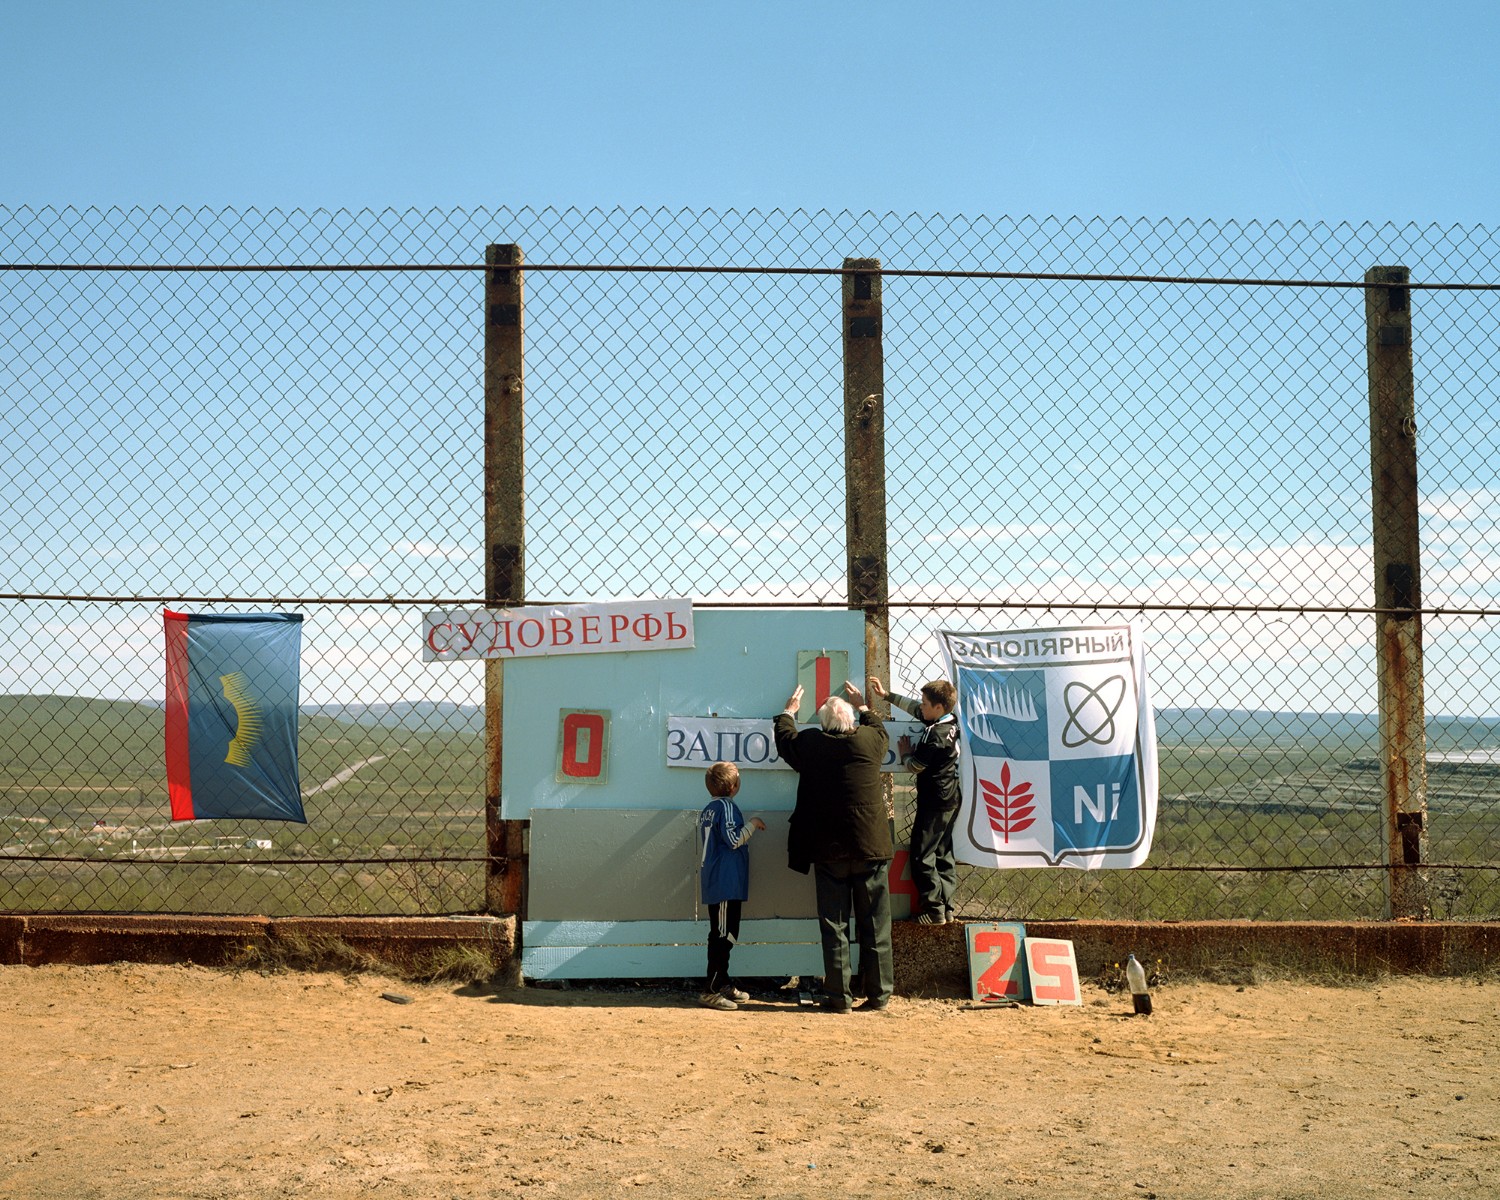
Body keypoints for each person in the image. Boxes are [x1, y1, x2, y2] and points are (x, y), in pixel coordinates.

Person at [773, 680, 893, 1013]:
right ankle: (879, 995)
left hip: (829, 849)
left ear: (824, 725)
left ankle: (839, 998)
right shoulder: (870, 742)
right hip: (870, 847)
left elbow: (785, 741)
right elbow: (880, 731)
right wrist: (864, 706)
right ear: (851, 722)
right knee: (875, 924)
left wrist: (788, 712)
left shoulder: (812, 745)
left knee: (834, 924)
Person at [868, 675, 961, 925]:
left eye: (925, 703)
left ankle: (933, 909)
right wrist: (886, 695)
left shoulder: (934, 735)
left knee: (922, 853)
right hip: (951, 796)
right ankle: (947, 905)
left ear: (938, 707)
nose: (921, 706)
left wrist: (905, 754)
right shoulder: (949, 722)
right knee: (943, 850)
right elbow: (913, 707)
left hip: (935, 800)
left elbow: (916, 766)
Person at [697, 761, 766, 1011]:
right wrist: (753, 824)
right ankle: (711, 990)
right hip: (725, 883)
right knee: (722, 936)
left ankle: (723, 983)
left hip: (718, 881)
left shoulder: (708, 808)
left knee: (723, 933)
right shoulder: (726, 807)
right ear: (733, 786)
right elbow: (734, 839)